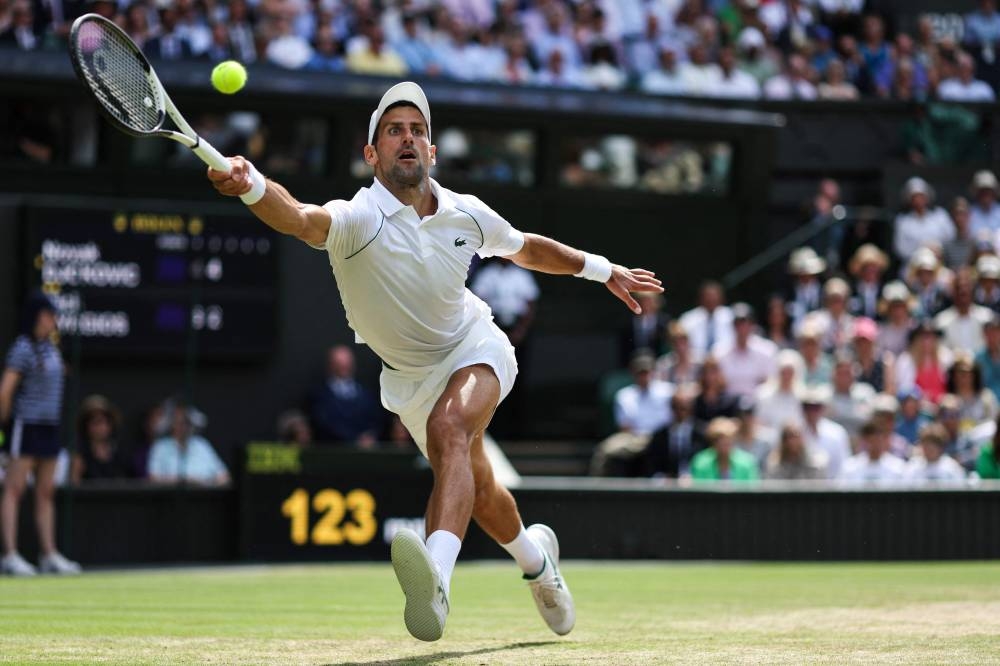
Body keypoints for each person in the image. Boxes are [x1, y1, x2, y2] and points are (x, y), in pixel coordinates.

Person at [206, 81, 663, 641]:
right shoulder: (356, 219)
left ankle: (437, 583)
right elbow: (300, 218)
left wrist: (600, 268)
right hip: (410, 380)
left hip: (476, 347)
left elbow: (524, 247)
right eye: (394, 130)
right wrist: (251, 184)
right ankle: (539, 562)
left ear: (432, 151)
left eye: (418, 130)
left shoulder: (465, 213)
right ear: (371, 154)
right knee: (480, 490)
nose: (408, 139)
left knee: (451, 428)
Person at [0, 292, 80, 575]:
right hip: (26, 425)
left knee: (46, 492)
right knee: (14, 489)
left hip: (50, 427)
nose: (53, 321)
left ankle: (49, 554)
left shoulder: (52, 349)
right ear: (35, 316)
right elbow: (5, 391)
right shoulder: (22, 348)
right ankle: (9, 555)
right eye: (48, 315)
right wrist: (6, 425)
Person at [307, 345, 381, 447]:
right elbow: (322, 423)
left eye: (347, 363)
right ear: (331, 365)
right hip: (334, 451)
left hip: (366, 451)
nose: (344, 366)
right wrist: (354, 439)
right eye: (339, 363)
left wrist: (369, 436)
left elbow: (376, 419)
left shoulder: (366, 394)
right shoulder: (320, 395)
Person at [147, 402, 230, 486]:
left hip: (206, 495)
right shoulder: (160, 447)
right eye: (179, 421)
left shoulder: (202, 445)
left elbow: (224, 477)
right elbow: (153, 479)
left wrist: (205, 483)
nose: (183, 426)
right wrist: (186, 481)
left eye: (186, 422)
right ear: (172, 424)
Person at [70, 394, 132, 482]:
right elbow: (74, 482)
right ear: (86, 426)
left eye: (105, 422)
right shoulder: (79, 453)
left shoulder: (120, 451)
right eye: (95, 423)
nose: (101, 428)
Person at [690, 417, 758, 481]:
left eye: (728, 440)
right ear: (713, 442)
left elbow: (753, 489)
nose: (724, 443)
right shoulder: (700, 463)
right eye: (719, 439)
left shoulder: (747, 463)